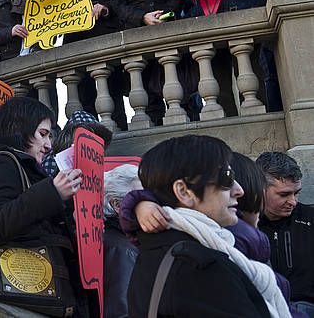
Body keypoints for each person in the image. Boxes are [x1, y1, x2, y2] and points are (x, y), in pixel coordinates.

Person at [127, 135, 287, 317]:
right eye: (227, 178)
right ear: (184, 192)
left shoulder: (156, 250)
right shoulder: (200, 268)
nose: (239, 190)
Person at [0, 97, 91, 316]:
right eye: (42, 134)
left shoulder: (28, 169)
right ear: (21, 130)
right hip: (28, 295)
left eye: (49, 136)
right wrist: (52, 193)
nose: (48, 145)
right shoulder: (3, 162)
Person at [59, 0, 125, 128]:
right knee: (83, 95)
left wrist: (104, 7)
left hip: (104, 36)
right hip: (76, 42)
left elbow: (120, 0)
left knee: (114, 95)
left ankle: (120, 129)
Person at [256, 152, 314, 315]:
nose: (293, 202)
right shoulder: (243, 225)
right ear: (260, 189)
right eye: (284, 194)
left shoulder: (310, 218)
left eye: (296, 193)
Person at [103, 164, 141, 318]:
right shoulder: (122, 249)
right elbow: (121, 312)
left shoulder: (126, 241)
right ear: (117, 205)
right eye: (140, 197)